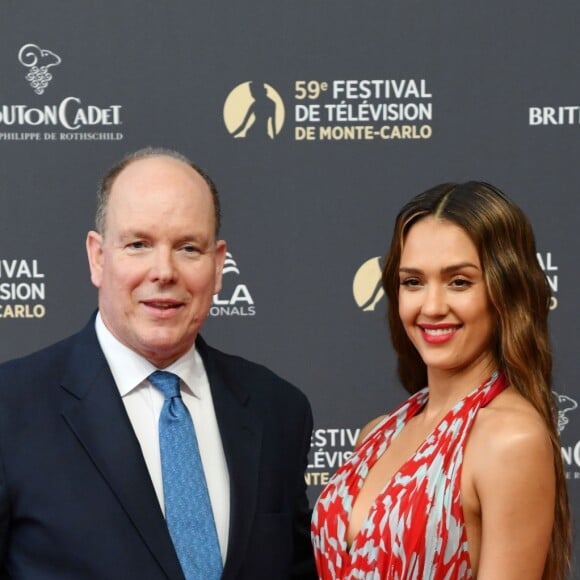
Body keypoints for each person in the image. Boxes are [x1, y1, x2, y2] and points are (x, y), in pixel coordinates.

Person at [0, 147, 316, 580]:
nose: (163, 271)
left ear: (219, 264)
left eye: (188, 247)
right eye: (138, 244)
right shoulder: (11, 407)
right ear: (97, 256)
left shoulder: (278, 410)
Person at [311, 181, 571, 579]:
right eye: (413, 282)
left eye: (459, 282)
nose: (431, 307)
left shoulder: (509, 439)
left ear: (505, 291)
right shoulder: (376, 435)